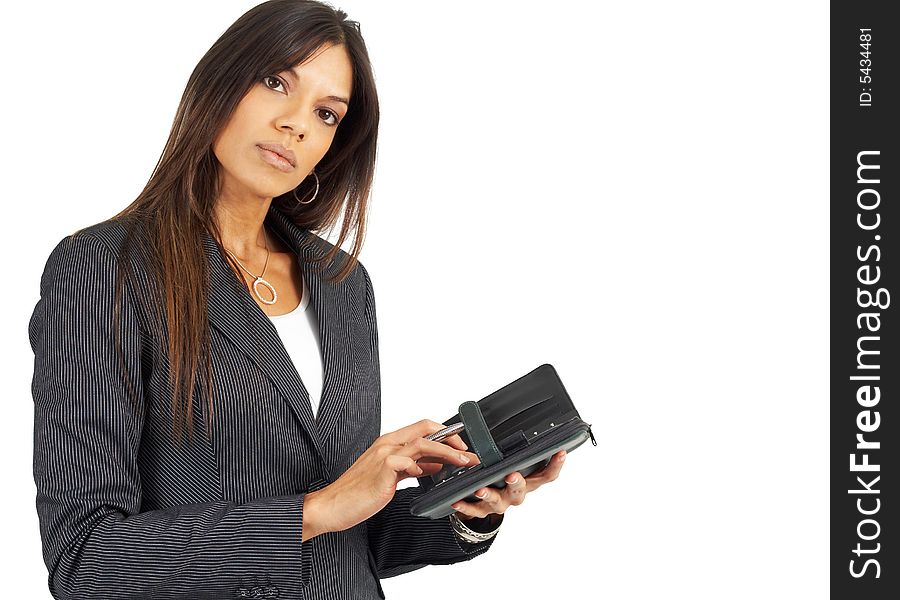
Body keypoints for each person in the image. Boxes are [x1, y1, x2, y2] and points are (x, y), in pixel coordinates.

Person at [28, 1, 566, 598]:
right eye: (276, 81)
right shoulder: (102, 269)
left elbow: (352, 538)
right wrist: (316, 510)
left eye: (327, 114)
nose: (297, 123)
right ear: (219, 83)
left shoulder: (343, 284)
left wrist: (467, 509)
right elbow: (86, 560)